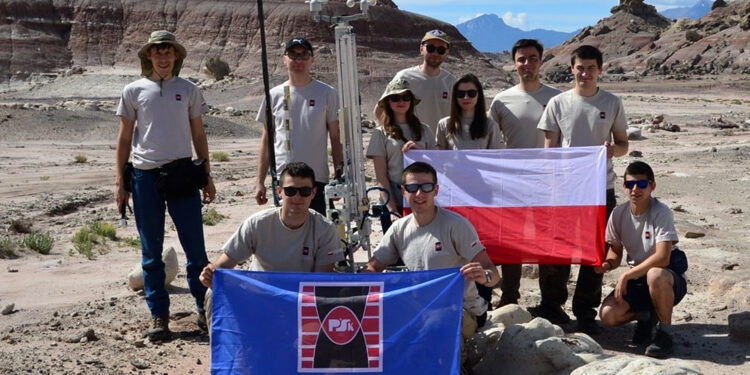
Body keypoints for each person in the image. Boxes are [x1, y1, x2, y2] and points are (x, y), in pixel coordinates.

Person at [114, 30, 216, 341]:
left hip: (183, 174)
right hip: (145, 177)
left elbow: (199, 136)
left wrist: (207, 175)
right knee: (151, 252)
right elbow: (124, 138)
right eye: (157, 52)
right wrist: (121, 181)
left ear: (176, 57)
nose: (162, 57)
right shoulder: (133, 91)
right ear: (148, 56)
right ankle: (159, 315)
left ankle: (203, 309)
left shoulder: (188, 90)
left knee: (196, 250)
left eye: (167, 52)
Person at [537, 44, 629, 334]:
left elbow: (624, 143)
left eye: (591, 67)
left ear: (600, 69)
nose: (585, 72)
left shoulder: (612, 102)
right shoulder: (558, 103)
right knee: (557, 249)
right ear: (572, 69)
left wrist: (614, 150)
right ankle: (552, 306)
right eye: (580, 67)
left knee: (595, 251)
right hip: (565, 190)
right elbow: (550, 146)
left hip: (600, 189)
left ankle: (585, 311)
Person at [363, 162, 500, 338]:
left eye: (426, 187)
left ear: (436, 190)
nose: (419, 194)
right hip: (419, 309)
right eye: (412, 188)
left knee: (432, 328)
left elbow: (494, 275)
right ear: (403, 191)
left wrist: (484, 276)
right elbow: (373, 266)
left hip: (461, 309)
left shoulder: (456, 226)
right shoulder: (399, 228)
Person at [200, 162, 343, 329]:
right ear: (279, 192)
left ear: (313, 193)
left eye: (304, 192)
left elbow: (321, 285)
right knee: (214, 292)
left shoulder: (325, 230)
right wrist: (210, 274)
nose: (297, 197)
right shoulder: (258, 224)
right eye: (290, 191)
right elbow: (224, 264)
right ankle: (225, 353)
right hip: (258, 296)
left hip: (300, 301)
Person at [488, 39, 561, 308]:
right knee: (511, 242)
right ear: (514, 63)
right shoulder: (501, 101)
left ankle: (552, 303)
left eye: (532, 58)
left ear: (541, 62)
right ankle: (509, 297)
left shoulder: (557, 98)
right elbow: (488, 142)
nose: (526, 64)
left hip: (548, 183)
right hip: (513, 183)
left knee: (548, 242)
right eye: (521, 59)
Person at [597, 161, 686, 358]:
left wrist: (627, 275)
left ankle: (665, 333)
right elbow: (616, 251)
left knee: (655, 275)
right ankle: (647, 315)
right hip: (638, 277)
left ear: (652, 186)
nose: (635, 189)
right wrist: (608, 264)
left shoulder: (661, 212)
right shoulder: (618, 213)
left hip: (667, 278)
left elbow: (663, 258)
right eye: (630, 185)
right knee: (608, 315)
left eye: (642, 184)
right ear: (624, 187)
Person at [255, 37, 343, 215]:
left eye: (304, 55)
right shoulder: (274, 95)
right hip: (284, 178)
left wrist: (339, 176)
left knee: (320, 229)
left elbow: (335, 137)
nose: (299, 60)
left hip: (316, 178)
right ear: (284, 59)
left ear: (312, 59)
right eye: (294, 55)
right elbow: (267, 140)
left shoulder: (327, 93)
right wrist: (259, 182)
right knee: (287, 230)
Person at [366, 78, 436, 234]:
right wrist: (391, 209)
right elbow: (381, 176)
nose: (401, 101)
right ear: (388, 102)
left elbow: (437, 166)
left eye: (406, 97)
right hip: (394, 202)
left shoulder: (425, 131)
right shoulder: (380, 133)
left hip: (422, 200)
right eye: (395, 98)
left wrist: (420, 152)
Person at [376, 30, 455, 133]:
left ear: (447, 53)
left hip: (441, 147)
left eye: (441, 50)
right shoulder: (404, 77)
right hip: (413, 145)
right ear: (422, 49)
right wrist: (398, 136)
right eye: (430, 48)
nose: (435, 53)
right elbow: (380, 110)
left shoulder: (451, 81)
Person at [435, 73, 503, 150]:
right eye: (461, 93)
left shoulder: (491, 125)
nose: (466, 97)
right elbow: (439, 157)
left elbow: (496, 157)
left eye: (471, 93)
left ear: (479, 95)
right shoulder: (444, 124)